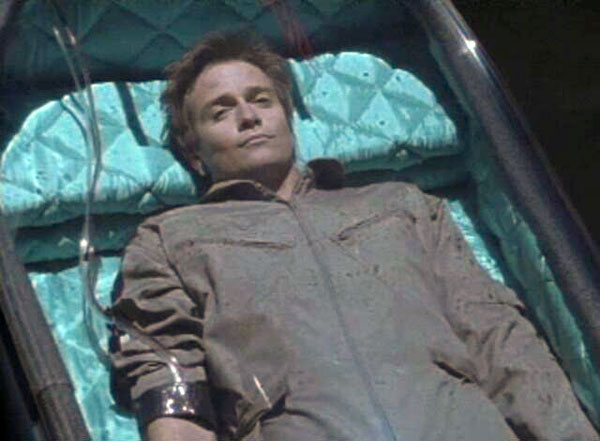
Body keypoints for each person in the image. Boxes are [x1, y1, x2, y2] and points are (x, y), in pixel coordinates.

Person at [110, 32, 599, 441]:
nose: (249, 117)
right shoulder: (169, 240)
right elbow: (168, 380)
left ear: (288, 117)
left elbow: (500, 339)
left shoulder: (403, 206)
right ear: (193, 153)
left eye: (261, 100)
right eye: (220, 112)